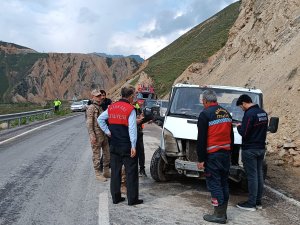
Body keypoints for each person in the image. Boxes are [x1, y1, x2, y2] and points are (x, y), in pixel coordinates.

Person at [98, 86, 143, 206]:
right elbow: (132, 129)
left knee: (115, 172)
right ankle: (132, 199)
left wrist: (107, 131)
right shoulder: (130, 109)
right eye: (134, 95)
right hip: (127, 145)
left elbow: (100, 119)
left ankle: (116, 197)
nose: (134, 97)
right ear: (130, 96)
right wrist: (133, 145)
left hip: (114, 144)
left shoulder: (112, 107)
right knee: (131, 172)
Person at [196, 90, 233, 224]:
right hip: (226, 155)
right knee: (223, 182)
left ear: (205, 101)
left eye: (203, 102)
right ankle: (223, 212)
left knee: (214, 184)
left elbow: (201, 140)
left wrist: (201, 159)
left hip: (213, 156)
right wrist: (232, 155)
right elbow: (231, 136)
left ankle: (218, 215)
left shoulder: (205, 114)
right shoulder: (226, 112)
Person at [235, 94, 268, 211]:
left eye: (240, 107)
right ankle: (258, 202)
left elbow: (244, 132)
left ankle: (251, 203)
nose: (241, 109)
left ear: (244, 103)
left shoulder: (249, 114)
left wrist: (239, 126)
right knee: (259, 175)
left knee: (252, 176)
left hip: (250, 149)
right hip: (260, 148)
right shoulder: (263, 113)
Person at [86, 89, 111, 182]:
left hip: (103, 134)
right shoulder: (91, 107)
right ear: (92, 97)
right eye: (97, 96)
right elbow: (89, 122)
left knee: (107, 154)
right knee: (97, 155)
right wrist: (92, 135)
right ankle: (97, 173)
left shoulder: (100, 106)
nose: (100, 97)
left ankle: (106, 171)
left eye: (100, 95)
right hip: (96, 135)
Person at [99, 90, 112, 172]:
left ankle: (106, 165)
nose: (103, 97)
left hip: (108, 127)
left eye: (104, 95)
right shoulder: (97, 104)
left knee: (108, 148)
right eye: (101, 95)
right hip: (100, 128)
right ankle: (100, 166)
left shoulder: (108, 101)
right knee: (102, 149)